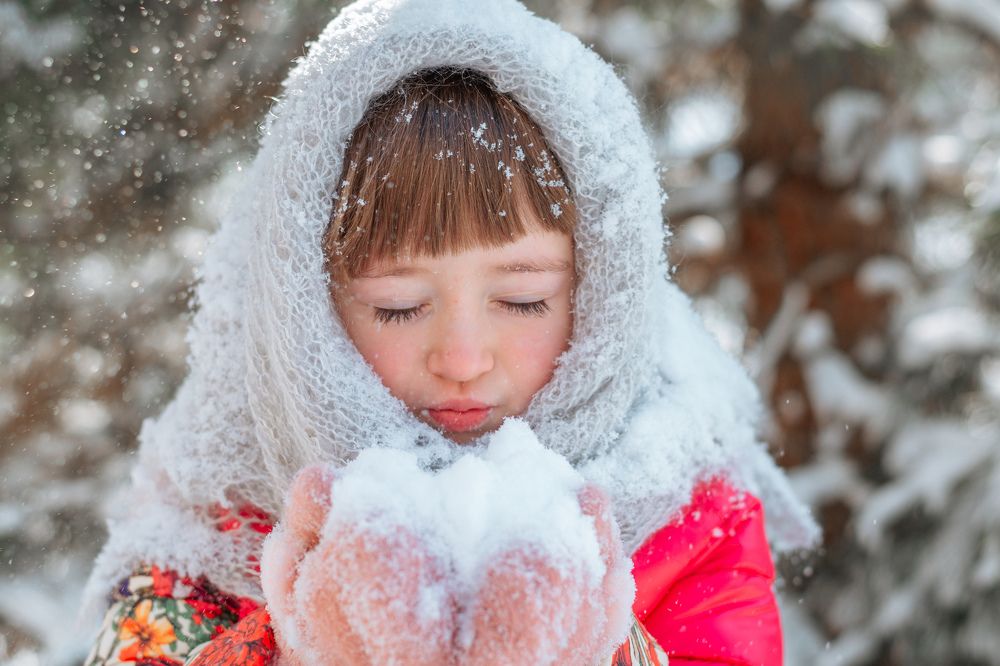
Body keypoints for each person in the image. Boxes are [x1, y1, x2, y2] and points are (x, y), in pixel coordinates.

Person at [82, 1, 819, 665]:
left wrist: (593, 646)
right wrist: (295, 648)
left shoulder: (686, 507)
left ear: (602, 295)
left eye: (525, 300)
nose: (463, 359)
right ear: (302, 306)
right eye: (399, 306)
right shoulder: (224, 504)